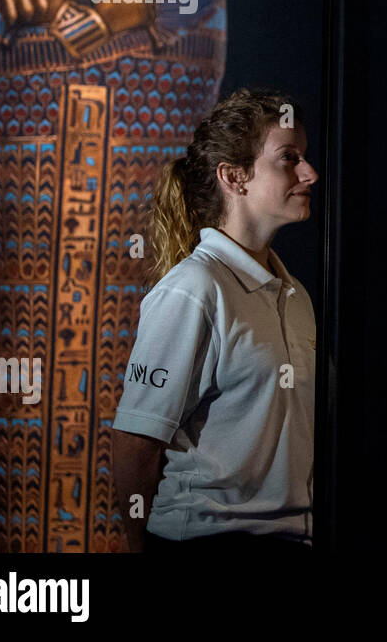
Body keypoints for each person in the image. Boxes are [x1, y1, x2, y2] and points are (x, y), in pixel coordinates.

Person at [112, 87, 318, 553]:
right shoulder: (193, 289)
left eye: (304, 158)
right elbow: (136, 443)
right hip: (207, 542)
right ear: (234, 176)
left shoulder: (296, 294)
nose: (310, 173)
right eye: (289, 158)